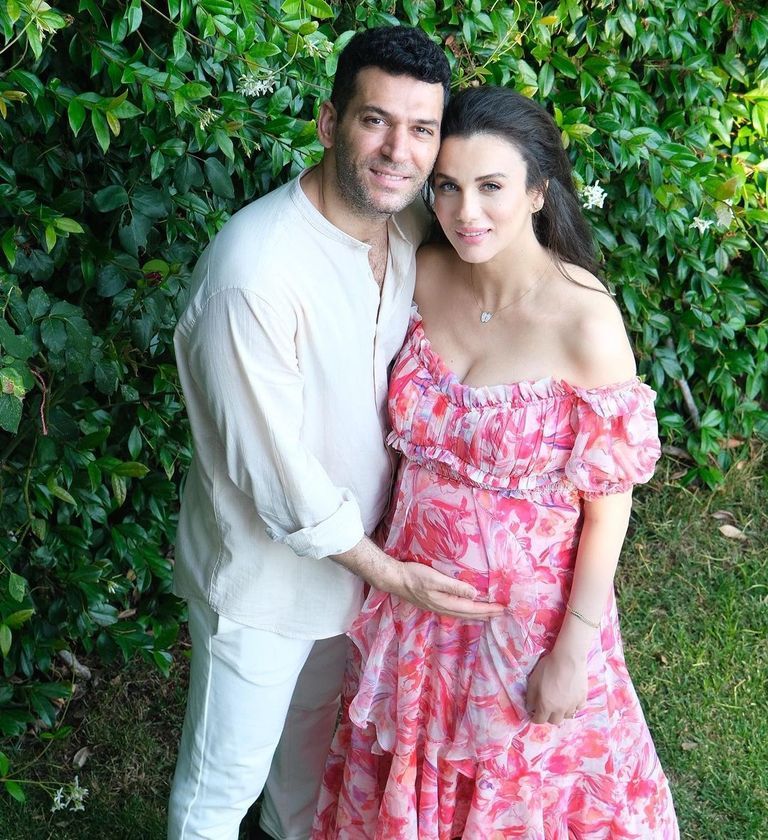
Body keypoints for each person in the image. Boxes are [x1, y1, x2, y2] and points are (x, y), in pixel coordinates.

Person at [312, 86, 680, 838]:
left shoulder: (585, 322)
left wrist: (572, 648)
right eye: (447, 186)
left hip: (523, 630)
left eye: (491, 187)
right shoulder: (424, 272)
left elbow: (608, 507)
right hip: (414, 613)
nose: (465, 212)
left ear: (538, 191)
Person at [167, 27, 507, 840]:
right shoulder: (255, 273)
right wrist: (395, 576)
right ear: (329, 123)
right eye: (375, 120)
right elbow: (277, 476)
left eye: (421, 129)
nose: (398, 150)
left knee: (308, 780)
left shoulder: (408, 229)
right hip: (262, 584)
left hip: (358, 575)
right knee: (220, 788)